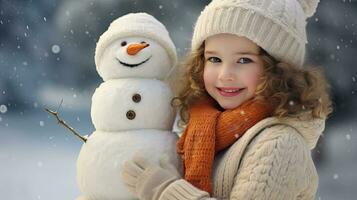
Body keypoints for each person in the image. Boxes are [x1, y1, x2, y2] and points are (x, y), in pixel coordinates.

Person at [120, 0, 334, 199]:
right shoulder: (202, 129)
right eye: (214, 59)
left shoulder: (280, 145)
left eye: (243, 60)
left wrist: (165, 190)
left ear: (279, 69)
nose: (225, 75)